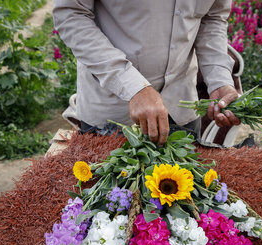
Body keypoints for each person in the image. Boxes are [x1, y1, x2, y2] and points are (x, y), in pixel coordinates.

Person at [53, 0, 241, 145]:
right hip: (114, 114)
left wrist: (219, 79)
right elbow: (71, 14)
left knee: (186, 190)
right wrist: (133, 87)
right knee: (114, 193)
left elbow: (212, 18)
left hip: (181, 106)